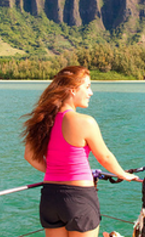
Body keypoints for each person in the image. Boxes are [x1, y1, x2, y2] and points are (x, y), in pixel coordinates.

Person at [22, 65, 138, 237]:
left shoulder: (41, 121)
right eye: (87, 87)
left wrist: (56, 170)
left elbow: (30, 156)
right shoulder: (85, 122)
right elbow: (104, 157)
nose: (91, 93)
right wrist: (124, 174)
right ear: (72, 90)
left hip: (50, 198)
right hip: (79, 199)